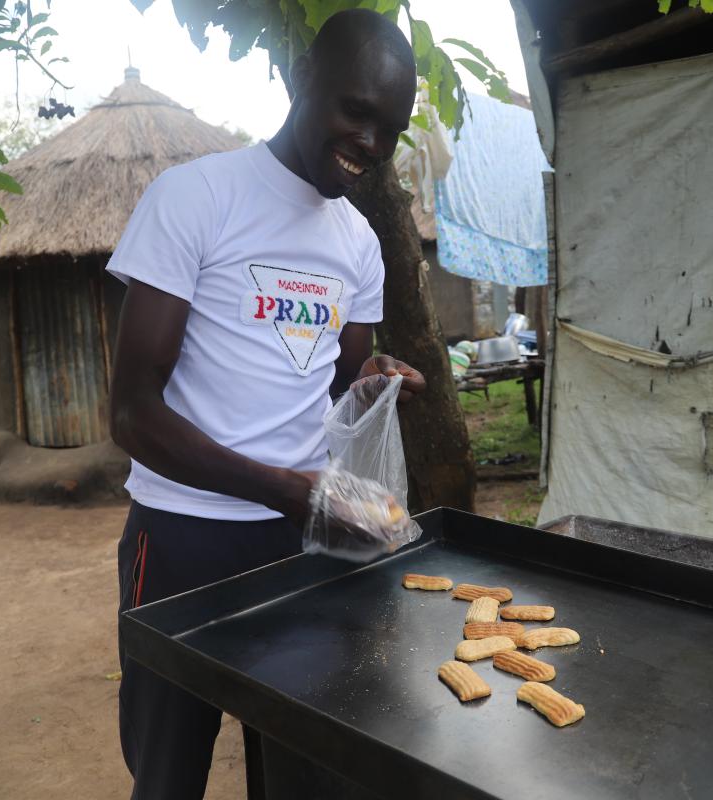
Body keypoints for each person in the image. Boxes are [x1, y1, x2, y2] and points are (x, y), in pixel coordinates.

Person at [105, 9, 423, 799]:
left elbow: (340, 380)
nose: (371, 146)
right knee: (169, 769)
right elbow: (132, 414)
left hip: (302, 547)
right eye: (357, 111)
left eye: (390, 128)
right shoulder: (196, 197)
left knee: (300, 768)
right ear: (302, 79)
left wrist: (375, 380)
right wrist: (291, 490)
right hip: (182, 541)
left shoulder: (357, 242)